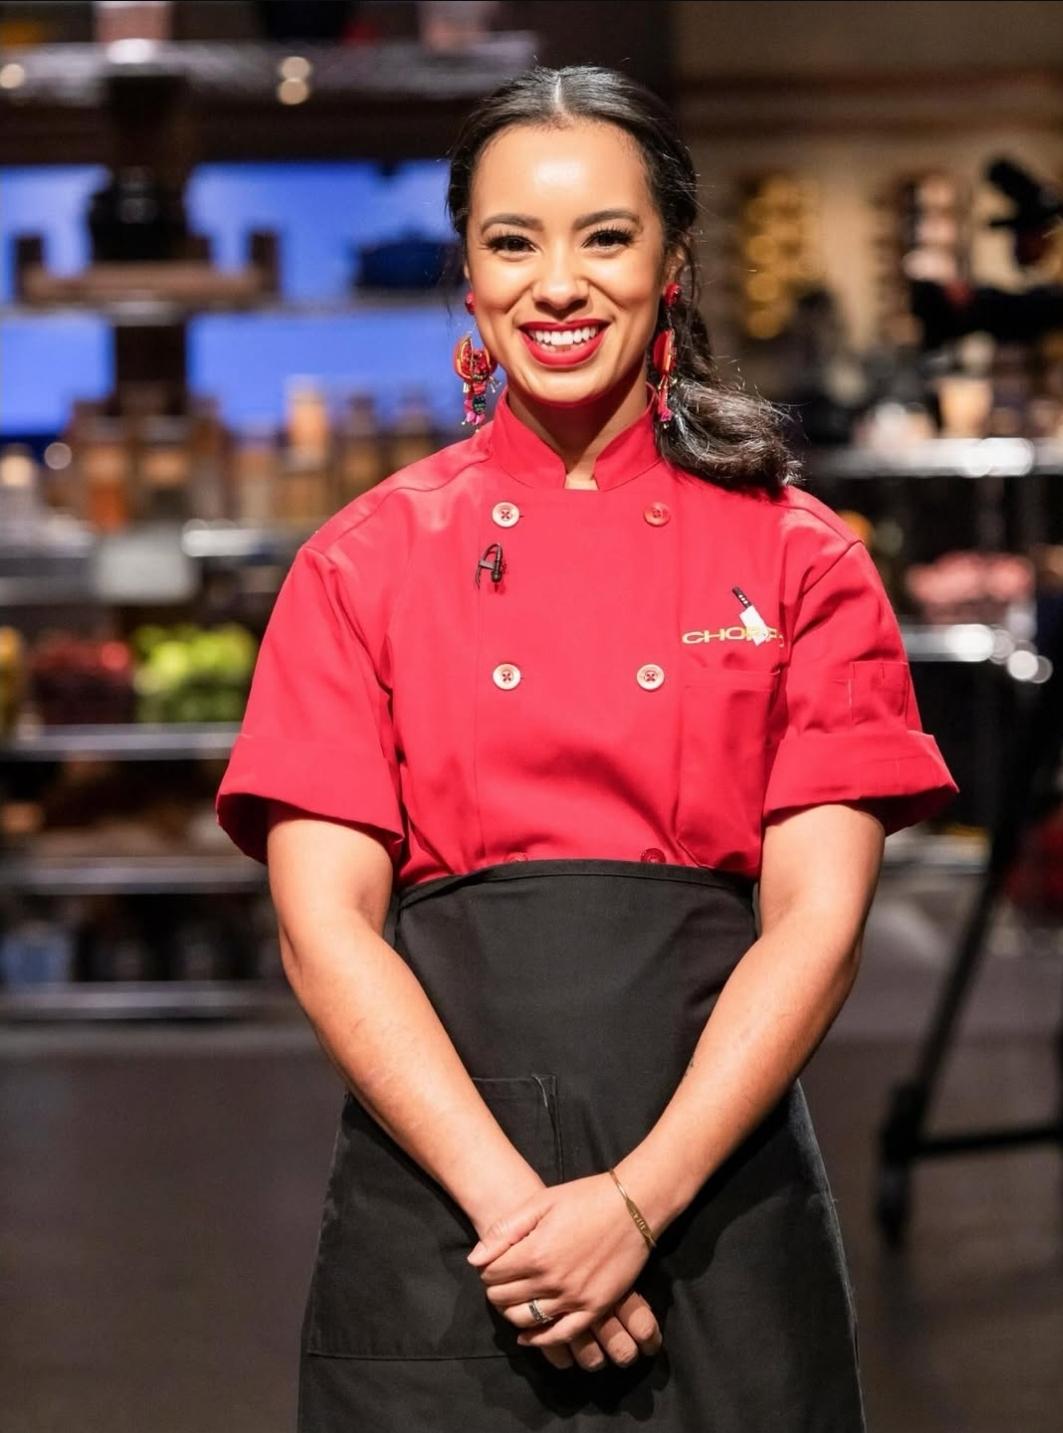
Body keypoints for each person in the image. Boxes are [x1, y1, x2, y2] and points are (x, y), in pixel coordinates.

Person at [214, 64, 957, 1432]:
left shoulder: (802, 560)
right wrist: (525, 1217)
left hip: (717, 1215)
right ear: (470, 277)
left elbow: (817, 922)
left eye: (604, 237)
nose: (558, 285)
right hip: (446, 1227)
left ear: (673, 263)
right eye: (514, 243)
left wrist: (636, 1202)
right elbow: (325, 930)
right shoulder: (359, 565)